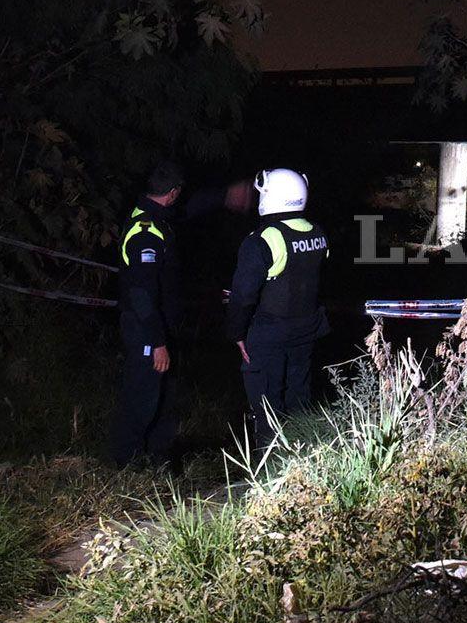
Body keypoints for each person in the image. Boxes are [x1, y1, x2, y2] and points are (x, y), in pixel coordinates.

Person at [111, 160, 250, 468]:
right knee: (142, 397)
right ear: (172, 193)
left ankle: (157, 457)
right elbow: (142, 296)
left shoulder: (158, 217)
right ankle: (128, 463)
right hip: (146, 330)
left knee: (163, 396)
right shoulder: (146, 233)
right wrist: (157, 341)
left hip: (159, 327)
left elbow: (190, 209)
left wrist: (224, 196)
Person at [225, 168, 331, 449]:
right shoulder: (318, 233)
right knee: (299, 400)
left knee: (266, 407)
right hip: (306, 331)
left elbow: (243, 295)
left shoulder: (263, 239)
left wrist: (236, 332)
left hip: (269, 335)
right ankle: (303, 459)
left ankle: (269, 468)